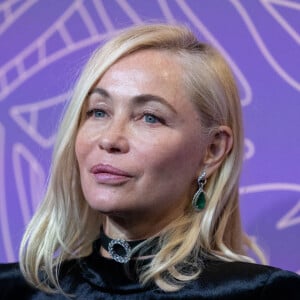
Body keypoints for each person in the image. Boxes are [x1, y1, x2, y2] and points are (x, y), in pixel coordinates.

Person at [0, 23, 299, 299]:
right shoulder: (13, 289)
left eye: (149, 117)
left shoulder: (262, 294)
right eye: (98, 111)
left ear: (213, 149)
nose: (110, 139)